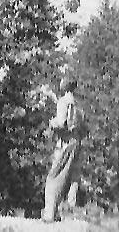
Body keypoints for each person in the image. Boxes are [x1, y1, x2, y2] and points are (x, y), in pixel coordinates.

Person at [42, 79, 85, 223]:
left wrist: (51, 123)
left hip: (65, 142)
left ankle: (50, 214)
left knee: (54, 177)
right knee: (72, 179)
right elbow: (83, 127)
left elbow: (61, 123)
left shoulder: (63, 102)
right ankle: (69, 213)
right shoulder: (78, 104)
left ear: (64, 86)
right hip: (77, 142)